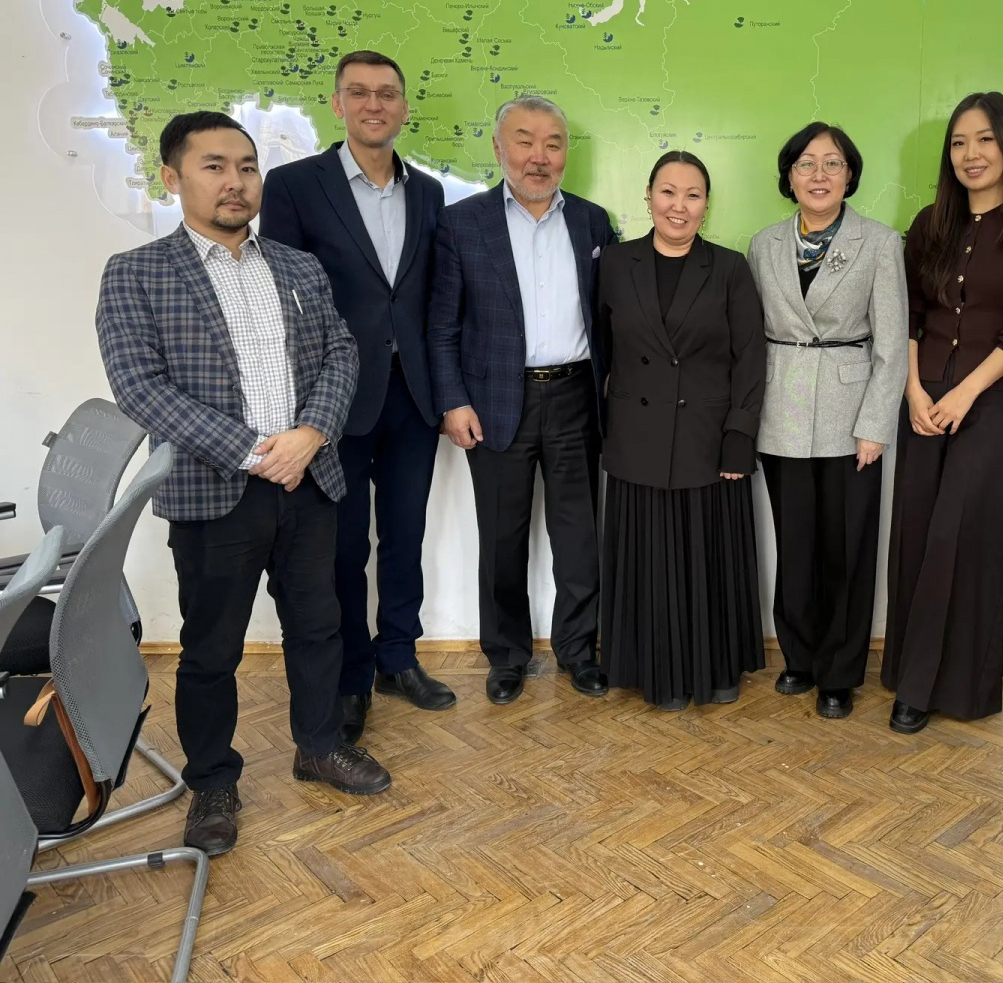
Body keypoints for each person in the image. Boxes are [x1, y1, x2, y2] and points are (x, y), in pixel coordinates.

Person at [95, 111, 392, 857]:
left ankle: (318, 746)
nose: (235, 182)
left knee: (319, 627)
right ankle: (212, 782)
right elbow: (140, 387)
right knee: (211, 650)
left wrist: (311, 434)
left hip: (309, 482)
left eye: (247, 167)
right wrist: (255, 452)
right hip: (214, 491)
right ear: (173, 178)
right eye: (215, 166)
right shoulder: (136, 273)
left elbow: (340, 355)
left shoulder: (297, 267)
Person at [260, 50, 452, 745]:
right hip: (332, 401)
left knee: (405, 536)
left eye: (388, 93)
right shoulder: (293, 186)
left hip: (413, 395)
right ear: (338, 104)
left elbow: (428, 296)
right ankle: (350, 677)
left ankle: (398, 658)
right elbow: (279, 296)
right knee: (341, 547)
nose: (375, 105)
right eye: (360, 93)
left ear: (403, 107)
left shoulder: (428, 192)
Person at [883, 92, 1003, 734]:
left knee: (964, 535)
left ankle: (948, 687)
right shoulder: (930, 222)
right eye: (959, 142)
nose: (971, 154)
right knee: (915, 531)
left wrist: (965, 392)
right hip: (923, 393)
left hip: (992, 396)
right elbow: (909, 315)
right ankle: (909, 676)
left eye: (985, 139)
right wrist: (913, 390)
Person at [428, 95, 617, 705]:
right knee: (501, 539)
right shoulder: (462, 224)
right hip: (493, 403)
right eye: (525, 140)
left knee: (579, 537)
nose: (539, 156)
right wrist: (453, 401)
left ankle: (578, 651)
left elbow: (611, 318)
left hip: (577, 398)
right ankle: (507, 656)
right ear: (499, 148)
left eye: (553, 143)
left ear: (565, 153)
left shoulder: (592, 222)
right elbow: (442, 325)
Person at [746, 123, 907, 719]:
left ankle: (839, 672)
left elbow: (893, 344)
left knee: (847, 548)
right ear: (789, 176)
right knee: (795, 545)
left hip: (850, 413)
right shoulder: (763, 245)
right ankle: (800, 657)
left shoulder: (879, 242)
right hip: (781, 407)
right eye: (807, 164)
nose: (819, 174)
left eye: (832, 163)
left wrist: (875, 425)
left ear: (849, 175)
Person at [596, 151, 766, 710]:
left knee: (707, 562)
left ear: (706, 205)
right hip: (637, 439)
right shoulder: (614, 263)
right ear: (648, 197)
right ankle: (654, 674)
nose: (679, 205)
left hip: (708, 440)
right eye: (668, 192)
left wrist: (739, 436)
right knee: (647, 563)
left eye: (693, 195)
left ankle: (714, 670)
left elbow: (750, 358)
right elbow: (599, 349)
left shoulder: (730, 267)